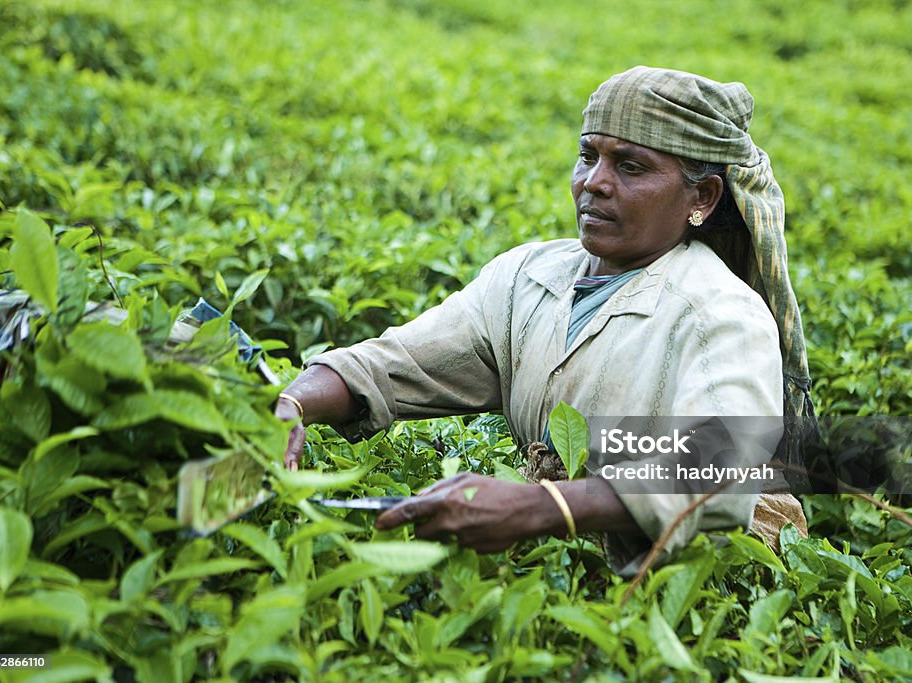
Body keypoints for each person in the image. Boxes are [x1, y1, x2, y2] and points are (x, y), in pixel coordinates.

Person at [274, 67, 815, 574]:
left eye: (631, 167)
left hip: (694, 586)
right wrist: (295, 402)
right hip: (565, 566)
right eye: (588, 157)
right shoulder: (528, 276)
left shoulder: (722, 315)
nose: (594, 184)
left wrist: (539, 505)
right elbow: (397, 363)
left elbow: (710, 473)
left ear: (702, 196)